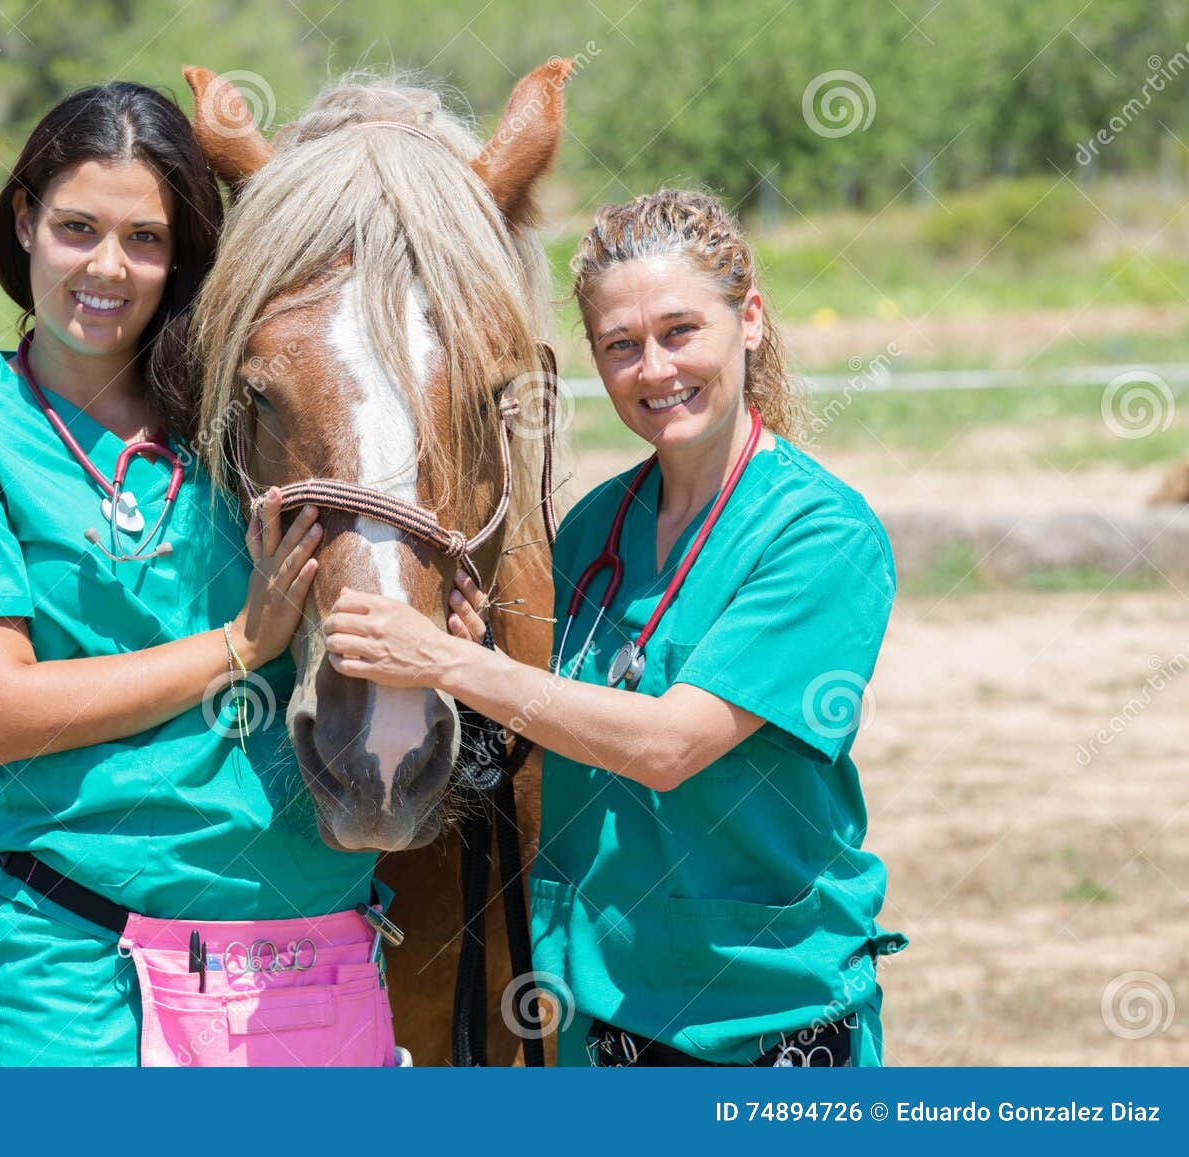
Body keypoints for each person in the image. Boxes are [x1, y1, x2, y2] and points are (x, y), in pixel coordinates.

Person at [318, 187, 908, 1067]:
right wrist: (478, 659)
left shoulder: (822, 534)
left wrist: (446, 661)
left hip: (762, 1008)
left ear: (749, 320)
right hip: (599, 1004)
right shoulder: (595, 526)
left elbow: (671, 745)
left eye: (680, 331)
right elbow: (555, 723)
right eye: (621, 345)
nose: (655, 370)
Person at [0, 82, 379, 1066]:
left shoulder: (251, 412)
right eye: (77, 228)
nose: (108, 268)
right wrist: (238, 644)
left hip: (307, 962)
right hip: (81, 965)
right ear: (24, 221)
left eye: (145, 238)